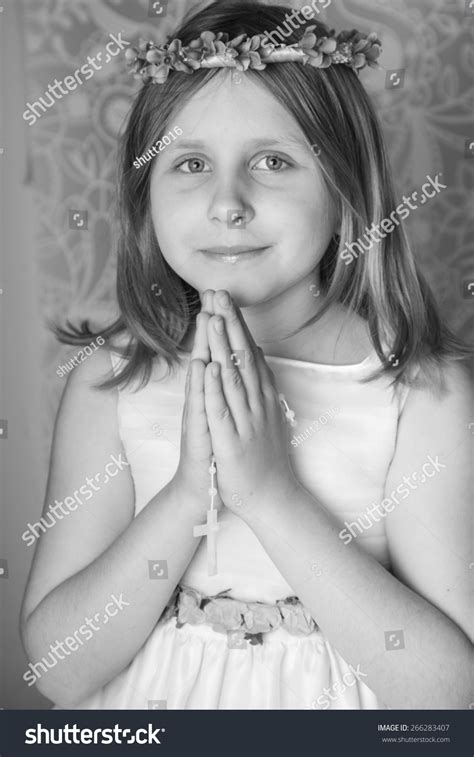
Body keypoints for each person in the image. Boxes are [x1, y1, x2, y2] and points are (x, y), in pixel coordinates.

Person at [20, 0, 472, 710]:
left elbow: (450, 692)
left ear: (346, 188)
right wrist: (186, 494)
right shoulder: (112, 378)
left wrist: (269, 494)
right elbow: (59, 670)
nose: (227, 202)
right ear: (146, 196)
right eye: (192, 162)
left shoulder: (418, 391)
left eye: (273, 161)